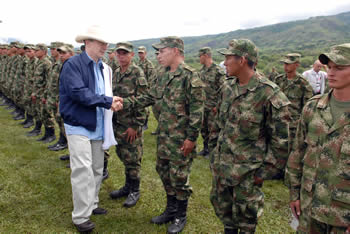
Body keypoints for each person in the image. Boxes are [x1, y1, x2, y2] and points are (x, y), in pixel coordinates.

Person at [113, 36, 204, 234]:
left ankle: (181, 215)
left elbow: (197, 112)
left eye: (162, 51)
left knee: (179, 177)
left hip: (181, 139)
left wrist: (191, 138)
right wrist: (124, 102)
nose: (159, 55)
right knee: (163, 171)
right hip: (165, 136)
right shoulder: (162, 74)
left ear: (175, 51)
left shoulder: (190, 76)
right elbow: (149, 97)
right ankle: (170, 209)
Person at [209, 39, 291, 234]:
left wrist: (262, 173)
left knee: (246, 218)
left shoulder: (269, 94)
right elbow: (218, 123)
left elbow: (281, 142)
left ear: (243, 60)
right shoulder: (227, 87)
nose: (225, 63)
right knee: (225, 213)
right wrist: (214, 153)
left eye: (228, 58)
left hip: (248, 173)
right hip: (223, 167)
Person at [59, 25, 119, 233]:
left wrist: (112, 102)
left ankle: (91, 204)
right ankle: (80, 217)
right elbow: (78, 93)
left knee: (96, 169)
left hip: (98, 125)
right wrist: (107, 101)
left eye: (106, 43)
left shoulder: (104, 68)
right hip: (78, 125)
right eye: (101, 42)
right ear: (87, 43)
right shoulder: (72, 65)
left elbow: (104, 95)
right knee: (82, 170)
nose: (105, 46)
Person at [286, 43, 350, 234]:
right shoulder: (313, 108)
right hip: (309, 208)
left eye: (339, 68)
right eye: (329, 67)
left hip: (343, 216)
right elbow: (297, 153)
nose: (331, 73)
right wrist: (294, 193)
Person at [109, 42, 148, 208]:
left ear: (131, 55)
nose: (121, 56)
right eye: (119, 53)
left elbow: (144, 100)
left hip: (131, 124)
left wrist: (136, 125)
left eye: (124, 53)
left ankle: (135, 190)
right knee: (123, 154)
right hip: (118, 122)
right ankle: (127, 186)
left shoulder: (137, 73)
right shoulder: (117, 72)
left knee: (133, 158)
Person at [273, 53, 313, 179]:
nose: (285, 66)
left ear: (296, 65)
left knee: (292, 148)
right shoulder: (279, 80)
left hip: (294, 122)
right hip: (278, 119)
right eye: (284, 64)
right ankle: (276, 170)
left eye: (289, 64)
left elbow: (307, 105)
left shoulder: (303, 83)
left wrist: (302, 122)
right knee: (277, 145)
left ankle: (289, 173)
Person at [197, 47, 225, 157]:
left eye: (200, 56)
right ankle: (205, 148)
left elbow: (224, 90)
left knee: (213, 130)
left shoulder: (218, 71)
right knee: (203, 129)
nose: (199, 58)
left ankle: (214, 151)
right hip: (203, 106)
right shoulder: (201, 71)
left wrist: (218, 106)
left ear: (206, 56)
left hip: (213, 107)